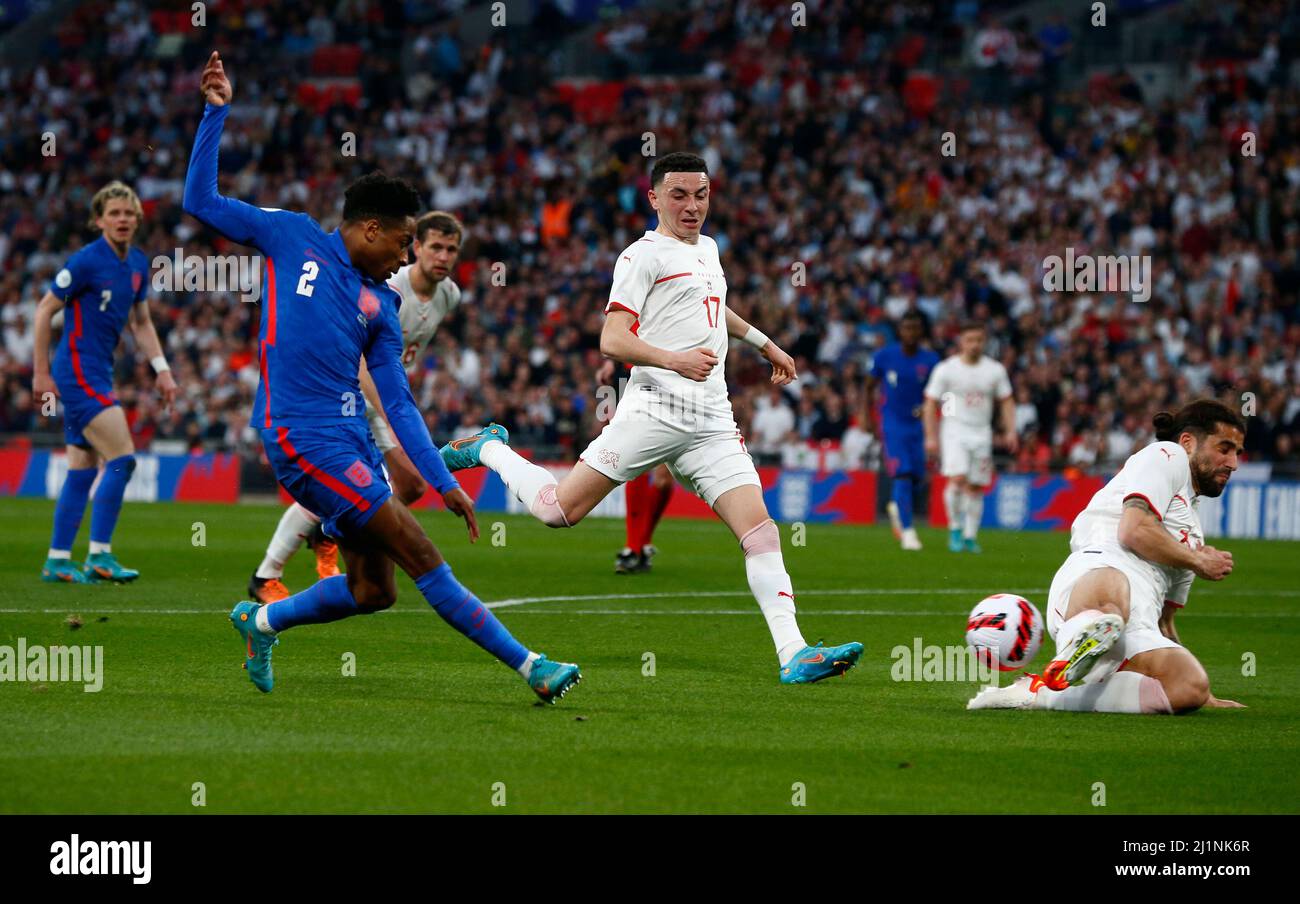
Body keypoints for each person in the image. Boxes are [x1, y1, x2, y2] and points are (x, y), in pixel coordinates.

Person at [184, 51, 580, 703]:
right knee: (421, 554)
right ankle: (532, 666)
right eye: (400, 243)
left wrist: (443, 478)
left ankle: (260, 620)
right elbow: (199, 200)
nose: (405, 256)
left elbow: (398, 403)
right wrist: (215, 114)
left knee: (375, 592)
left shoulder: (381, 306)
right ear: (371, 228)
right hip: (299, 437)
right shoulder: (290, 236)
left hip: (354, 442)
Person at [440, 152, 863, 684]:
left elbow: (716, 304)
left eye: (701, 194)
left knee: (760, 533)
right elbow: (612, 338)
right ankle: (489, 449)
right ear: (654, 198)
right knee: (557, 512)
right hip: (655, 409)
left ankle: (793, 653)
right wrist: (674, 358)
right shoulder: (641, 256)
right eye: (680, 195)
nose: (692, 206)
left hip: (711, 417)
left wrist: (765, 344)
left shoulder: (708, 248)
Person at [968, 400, 1246, 715]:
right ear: (1187, 442)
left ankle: (1041, 692)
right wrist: (1198, 561)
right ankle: (1088, 636)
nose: (1233, 462)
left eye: (1237, 452)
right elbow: (1132, 530)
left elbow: (1165, 622)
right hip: (1096, 574)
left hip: (1138, 623)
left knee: (1189, 687)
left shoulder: (1192, 533)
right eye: (1225, 448)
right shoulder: (1166, 457)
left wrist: (1203, 693)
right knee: (1114, 595)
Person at [248, 211, 466, 603]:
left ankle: (329, 532)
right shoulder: (387, 283)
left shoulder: (449, 294)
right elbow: (363, 356)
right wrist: (387, 409)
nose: (443, 256)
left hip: (382, 396)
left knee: (403, 487)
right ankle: (270, 570)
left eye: (451, 249)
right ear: (415, 247)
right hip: (353, 393)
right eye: (435, 246)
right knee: (376, 486)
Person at [33, 181, 178, 583]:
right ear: (99, 220)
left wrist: (162, 368)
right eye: (114, 213)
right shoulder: (84, 261)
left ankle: (58, 559)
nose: (123, 220)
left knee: (82, 467)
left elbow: (142, 322)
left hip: (99, 371)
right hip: (77, 371)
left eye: (129, 214)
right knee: (123, 459)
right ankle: (100, 555)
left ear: (138, 220)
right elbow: (44, 310)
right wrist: (41, 372)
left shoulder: (137, 265)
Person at [922, 320, 1016, 553]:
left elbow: (1006, 401)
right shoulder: (947, 369)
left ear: (984, 342)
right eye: (970, 340)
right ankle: (954, 528)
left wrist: (1011, 430)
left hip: (981, 432)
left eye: (979, 340)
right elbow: (930, 402)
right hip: (954, 429)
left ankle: (970, 535)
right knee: (957, 478)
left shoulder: (994, 370)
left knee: (975, 486)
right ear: (961, 342)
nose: (974, 345)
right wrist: (931, 436)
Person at [868, 310, 940, 550]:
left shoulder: (931, 361)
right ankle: (908, 532)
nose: (911, 332)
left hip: (919, 425)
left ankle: (897, 506)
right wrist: (864, 414)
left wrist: (937, 412)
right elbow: (868, 385)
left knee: (918, 477)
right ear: (900, 331)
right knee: (903, 474)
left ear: (921, 331)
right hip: (893, 423)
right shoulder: (884, 356)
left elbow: (940, 394)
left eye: (915, 328)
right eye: (906, 328)